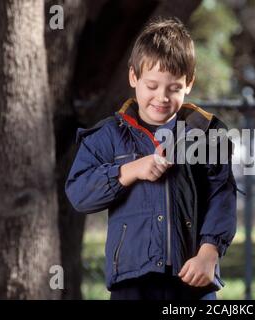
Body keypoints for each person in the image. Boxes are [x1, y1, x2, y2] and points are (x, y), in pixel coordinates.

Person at [65, 17, 237, 300]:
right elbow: (79, 194)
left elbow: (222, 198)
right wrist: (130, 170)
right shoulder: (109, 135)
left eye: (174, 88)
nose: (162, 97)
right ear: (134, 77)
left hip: (193, 278)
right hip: (131, 283)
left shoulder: (206, 133)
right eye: (152, 86)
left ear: (189, 83)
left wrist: (209, 254)